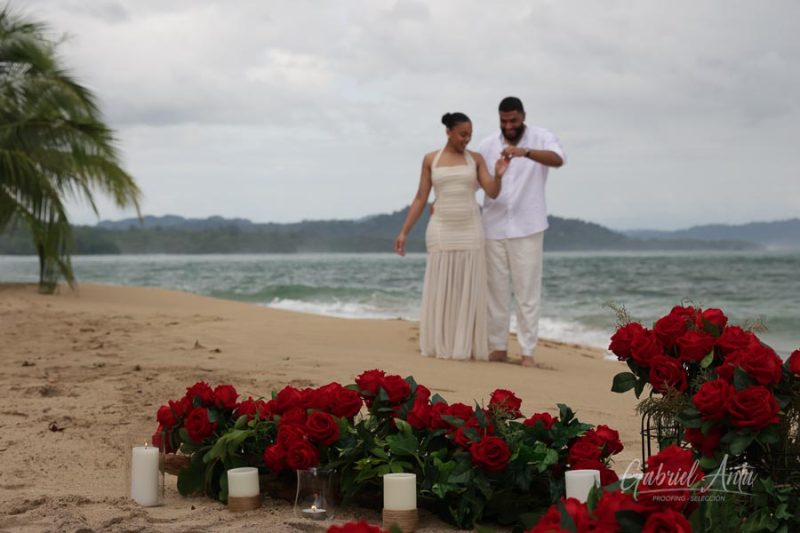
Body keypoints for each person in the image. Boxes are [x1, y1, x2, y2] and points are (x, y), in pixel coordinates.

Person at [395, 112, 509, 360]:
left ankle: (464, 345)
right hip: (441, 229)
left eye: (470, 134)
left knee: (469, 286)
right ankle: (441, 343)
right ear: (448, 132)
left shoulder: (476, 159)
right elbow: (420, 198)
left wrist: (499, 175)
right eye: (462, 134)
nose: (466, 139)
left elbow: (492, 191)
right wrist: (404, 231)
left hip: (470, 228)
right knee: (442, 287)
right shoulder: (430, 160)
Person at [478, 97, 566, 367]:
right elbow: (476, 180)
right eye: (504, 121)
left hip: (528, 226)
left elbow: (558, 159)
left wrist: (525, 152)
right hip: (493, 225)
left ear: (523, 116)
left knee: (527, 292)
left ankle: (527, 352)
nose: (508, 126)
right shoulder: (487, 145)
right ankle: (497, 347)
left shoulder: (542, 137)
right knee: (496, 292)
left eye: (513, 120)